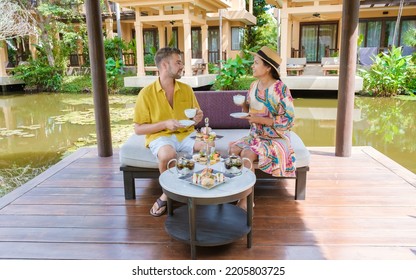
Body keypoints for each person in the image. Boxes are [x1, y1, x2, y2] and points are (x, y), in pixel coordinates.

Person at [133, 47, 205, 217]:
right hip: (160, 136)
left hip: (185, 134)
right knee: (167, 154)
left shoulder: (186, 89)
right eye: (178, 62)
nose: (182, 66)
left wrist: (198, 118)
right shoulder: (146, 94)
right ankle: (168, 192)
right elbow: (138, 129)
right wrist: (164, 124)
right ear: (165, 65)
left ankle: (201, 188)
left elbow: (196, 115)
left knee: (207, 147)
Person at [229, 46, 296, 210]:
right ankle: (238, 190)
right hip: (256, 135)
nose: (252, 65)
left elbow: (288, 120)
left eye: (256, 62)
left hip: (275, 138)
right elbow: (250, 114)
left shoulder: (280, 89)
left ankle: (247, 200)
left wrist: (261, 119)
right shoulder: (253, 86)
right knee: (233, 149)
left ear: (267, 67)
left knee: (246, 154)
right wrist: (244, 106)